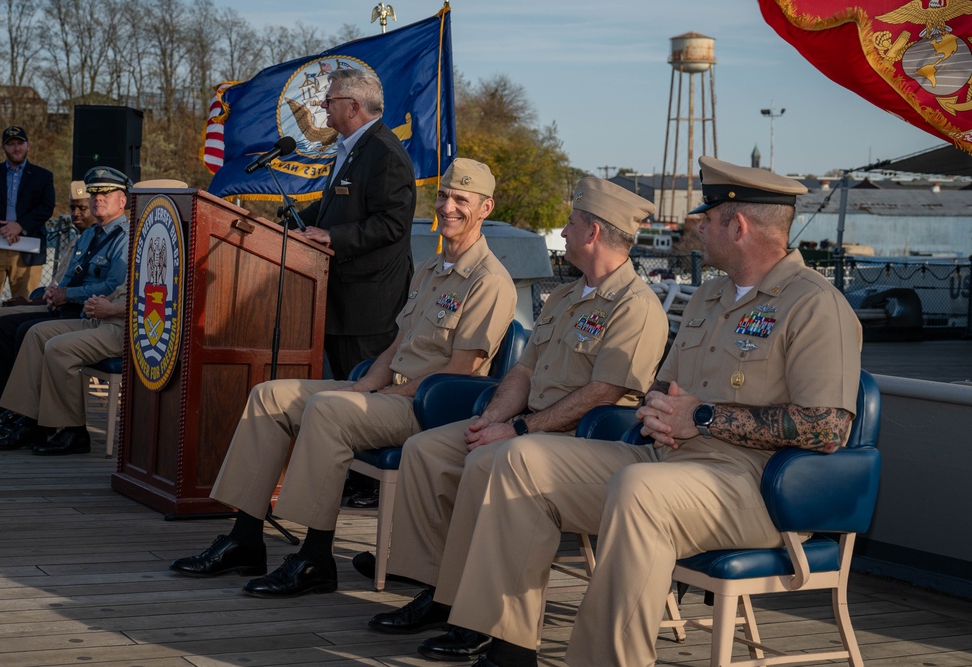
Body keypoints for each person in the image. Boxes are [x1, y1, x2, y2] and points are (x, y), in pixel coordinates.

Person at [420, 156, 863, 667]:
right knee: (518, 461)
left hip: (751, 485)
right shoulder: (709, 298)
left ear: (736, 225)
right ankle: (508, 648)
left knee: (639, 493)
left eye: (706, 220)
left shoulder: (815, 306)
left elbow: (828, 428)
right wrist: (661, 409)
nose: (696, 231)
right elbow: (665, 387)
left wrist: (702, 418)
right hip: (667, 460)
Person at [169, 159, 517, 599]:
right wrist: (365, 387)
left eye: (461, 200)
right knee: (268, 397)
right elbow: (397, 345)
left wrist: (388, 393)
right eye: (444, 195)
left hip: (430, 407)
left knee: (327, 411)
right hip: (392, 394)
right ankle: (245, 537)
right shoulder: (431, 269)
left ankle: (314, 558)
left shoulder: (489, 281)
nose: (448, 206)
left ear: (485, 207)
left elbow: (460, 371)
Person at [366, 178, 671, 662]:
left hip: (585, 440)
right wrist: (491, 419)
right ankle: (438, 592)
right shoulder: (564, 299)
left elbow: (605, 392)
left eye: (570, 224)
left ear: (592, 232)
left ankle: (476, 617)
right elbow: (523, 371)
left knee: (495, 457)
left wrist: (520, 430)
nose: (564, 233)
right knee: (428, 450)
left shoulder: (635, 306)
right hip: (529, 425)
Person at [0, 166, 132, 446]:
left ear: (123, 201)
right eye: (95, 193)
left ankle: (67, 429)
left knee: (34, 333)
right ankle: (28, 420)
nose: (98, 198)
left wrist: (67, 294)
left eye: (107, 193)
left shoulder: (127, 237)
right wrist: (54, 292)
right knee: (27, 330)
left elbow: (113, 287)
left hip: (100, 315)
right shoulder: (89, 235)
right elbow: (71, 274)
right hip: (80, 310)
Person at [294, 67, 417, 380]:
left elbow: (392, 224)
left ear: (353, 106)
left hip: (368, 313)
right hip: (341, 305)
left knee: (363, 399)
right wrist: (283, 225)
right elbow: (335, 205)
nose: (322, 105)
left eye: (329, 99)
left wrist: (332, 236)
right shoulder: (351, 148)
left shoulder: (385, 153)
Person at [0, 181, 95, 407]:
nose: (75, 214)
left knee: (0, 321)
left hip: (66, 310)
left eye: (83, 208)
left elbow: (73, 292)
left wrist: (29, 302)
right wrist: (31, 301)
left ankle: (5, 400)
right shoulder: (79, 239)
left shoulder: (97, 242)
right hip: (48, 301)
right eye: (72, 208)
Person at [0, 285, 127, 454]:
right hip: (104, 320)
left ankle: (75, 431)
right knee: (36, 333)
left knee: (59, 348)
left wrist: (111, 309)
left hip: (128, 329)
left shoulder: (162, 259)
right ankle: (31, 425)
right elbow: (121, 290)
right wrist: (101, 302)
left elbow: (161, 302)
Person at [0, 126, 56, 302]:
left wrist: (20, 226)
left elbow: (47, 207)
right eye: (10, 144)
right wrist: (2, 228)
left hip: (27, 249)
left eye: (20, 143)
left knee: (25, 304)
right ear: (3, 147)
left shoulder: (43, 176)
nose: (16, 148)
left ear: (28, 145)